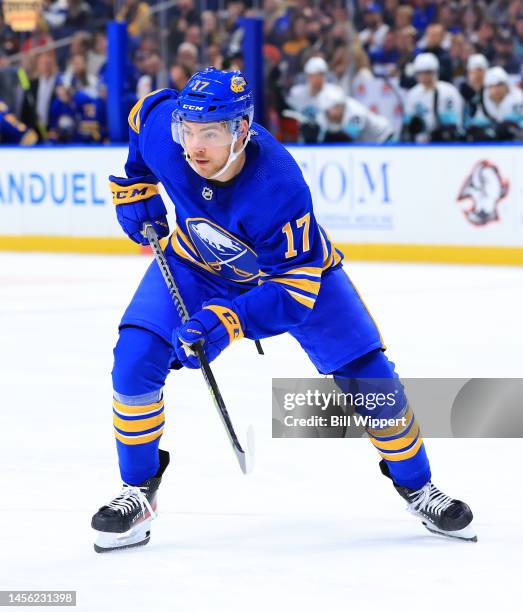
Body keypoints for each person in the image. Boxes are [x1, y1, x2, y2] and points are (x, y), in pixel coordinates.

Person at [91, 67, 476, 552]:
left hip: (294, 276)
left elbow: (292, 296)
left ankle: (419, 486)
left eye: (210, 133)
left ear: (242, 130)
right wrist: (136, 187)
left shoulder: (278, 184)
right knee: (134, 358)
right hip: (196, 262)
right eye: (188, 132)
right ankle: (137, 492)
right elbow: (142, 115)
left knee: (371, 379)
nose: (194, 148)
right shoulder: (170, 137)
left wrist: (226, 322)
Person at [402, 52, 463, 142]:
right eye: (420, 73)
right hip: (420, 141)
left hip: (445, 140)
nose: (425, 77)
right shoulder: (413, 94)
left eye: (428, 72)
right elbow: (408, 123)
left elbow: (454, 122)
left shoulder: (449, 91)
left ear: (436, 72)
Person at [286, 56, 340, 142]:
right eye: (314, 75)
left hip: (326, 142)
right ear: (308, 76)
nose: (317, 79)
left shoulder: (334, 94)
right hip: (301, 142)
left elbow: (337, 123)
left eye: (321, 74)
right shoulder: (297, 93)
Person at [317, 85, 394, 143]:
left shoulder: (355, 113)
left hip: (384, 137)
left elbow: (345, 140)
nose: (329, 115)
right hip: (370, 141)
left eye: (330, 110)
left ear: (339, 106)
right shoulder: (331, 112)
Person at [466, 66, 523, 141]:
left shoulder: (518, 98)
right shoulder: (485, 99)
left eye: (500, 85)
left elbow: (516, 125)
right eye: (492, 86)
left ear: (506, 86)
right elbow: (478, 121)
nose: (496, 89)